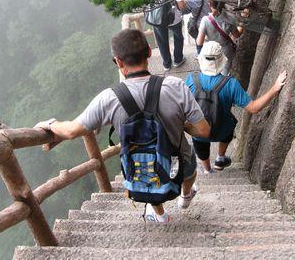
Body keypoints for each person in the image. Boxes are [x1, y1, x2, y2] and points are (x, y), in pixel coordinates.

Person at [34, 29, 210, 223]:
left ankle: (160, 215)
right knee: (188, 158)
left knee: (147, 165)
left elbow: (70, 131)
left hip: (143, 169)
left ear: (118, 61)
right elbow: (203, 130)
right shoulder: (176, 86)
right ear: (149, 53)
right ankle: (185, 196)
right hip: (178, 164)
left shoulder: (108, 99)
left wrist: (51, 124)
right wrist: (181, 124)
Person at [185, 41, 287, 172]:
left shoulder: (190, 80)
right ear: (221, 60)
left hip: (199, 131)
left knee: (200, 146)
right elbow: (254, 108)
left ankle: (207, 170)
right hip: (222, 130)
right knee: (230, 124)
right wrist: (275, 88)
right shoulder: (230, 84)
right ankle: (220, 159)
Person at [196, 0, 242, 75]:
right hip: (226, 50)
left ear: (209, 4)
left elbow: (199, 42)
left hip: (210, 51)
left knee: (209, 70)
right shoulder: (230, 18)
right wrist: (241, 25)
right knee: (225, 72)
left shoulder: (205, 20)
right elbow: (237, 35)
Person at [150, 0, 186, 72]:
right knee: (178, 38)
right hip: (174, 19)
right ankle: (178, 60)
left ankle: (167, 64)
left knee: (162, 41)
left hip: (158, 18)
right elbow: (181, 5)